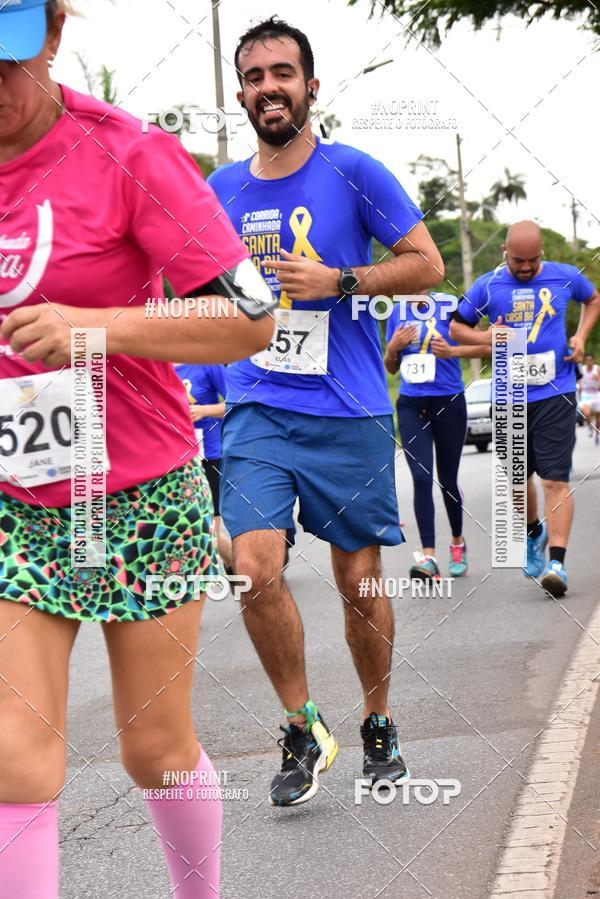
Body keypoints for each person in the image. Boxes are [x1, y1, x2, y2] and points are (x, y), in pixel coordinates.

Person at [0, 3, 274, 897]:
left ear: (52, 34)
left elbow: (249, 318)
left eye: (4, 59)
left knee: (155, 749)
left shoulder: (128, 152)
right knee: (14, 755)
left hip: (140, 492)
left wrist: (93, 326)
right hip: (13, 501)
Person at [208, 16, 444, 806]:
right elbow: (198, 288)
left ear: (311, 86)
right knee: (253, 568)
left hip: (348, 409)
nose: (268, 87)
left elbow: (426, 263)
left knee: (358, 577)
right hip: (258, 405)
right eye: (254, 77)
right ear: (241, 94)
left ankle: (378, 719)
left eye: (283, 73)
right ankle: (301, 725)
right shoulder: (220, 190)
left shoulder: (355, 171)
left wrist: (342, 281)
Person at [450, 221, 600, 597]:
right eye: (519, 260)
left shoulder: (565, 276)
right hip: (508, 397)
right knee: (518, 480)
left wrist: (580, 337)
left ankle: (557, 564)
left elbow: (593, 299)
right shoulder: (487, 286)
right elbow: (456, 328)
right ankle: (534, 532)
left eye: (533, 260)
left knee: (555, 480)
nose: (527, 267)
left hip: (555, 392)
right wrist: (487, 335)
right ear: (505, 252)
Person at [384, 294, 490, 580]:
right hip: (411, 404)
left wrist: (452, 351)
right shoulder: (395, 312)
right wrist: (392, 348)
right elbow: (391, 366)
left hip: (449, 401)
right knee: (421, 478)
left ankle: (457, 541)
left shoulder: (450, 306)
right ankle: (428, 556)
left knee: (448, 481)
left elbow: (485, 346)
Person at [175, 363, 233, 570]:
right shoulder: (156, 366)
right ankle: (239, 564)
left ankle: (242, 569)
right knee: (190, 527)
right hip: (174, 458)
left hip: (208, 455)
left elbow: (236, 402)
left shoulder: (206, 363)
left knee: (207, 531)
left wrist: (204, 410)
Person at [577, 352, 600, 444]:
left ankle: (597, 435)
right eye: (587, 360)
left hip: (596, 394)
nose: (589, 362)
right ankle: (590, 426)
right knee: (586, 413)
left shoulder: (597, 369)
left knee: (598, 419)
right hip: (586, 394)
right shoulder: (582, 369)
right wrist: (580, 386)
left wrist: (597, 379)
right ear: (585, 361)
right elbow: (579, 381)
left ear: (593, 360)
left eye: (591, 360)